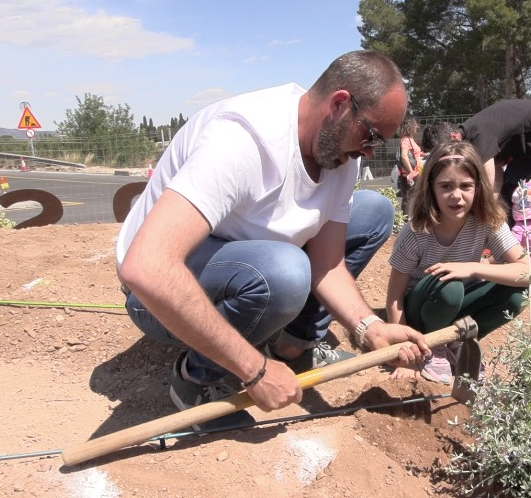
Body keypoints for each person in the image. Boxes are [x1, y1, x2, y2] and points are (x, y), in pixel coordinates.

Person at [116, 50, 430, 429]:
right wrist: (255, 369)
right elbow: (147, 267)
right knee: (285, 272)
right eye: (372, 136)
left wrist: (369, 328)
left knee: (373, 211)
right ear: (339, 105)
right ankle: (195, 377)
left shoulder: (340, 154)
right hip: (153, 294)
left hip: (244, 258)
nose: (368, 150)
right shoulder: (242, 139)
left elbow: (328, 262)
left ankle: (294, 345)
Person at [386, 140, 531, 384]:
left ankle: (459, 342)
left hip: (455, 306)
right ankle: (431, 346)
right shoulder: (416, 232)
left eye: (466, 186)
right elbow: (394, 298)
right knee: (451, 288)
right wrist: (406, 354)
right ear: (431, 188)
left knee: (515, 296)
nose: (456, 195)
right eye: (446, 186)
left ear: (478, 187)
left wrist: (473, 268)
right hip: (421, 312)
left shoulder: (487, 222)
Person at [433, 100, 531, 228]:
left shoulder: (479, 136)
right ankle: (512, 236)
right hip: (527, 147)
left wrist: (480, 215)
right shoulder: (471, 141)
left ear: (454, 137)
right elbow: (497, 173)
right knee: (508, 193)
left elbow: (489, 181)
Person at [395, 117, 423, 214]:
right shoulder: (406, 140)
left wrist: (421, 154)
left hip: (415, 172)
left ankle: (411, 216)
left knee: (413, 196)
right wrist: (411, 172)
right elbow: (404, 155)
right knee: (408, 197)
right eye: (415, 126)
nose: (416, 127)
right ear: (410, 127)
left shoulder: (410, 139)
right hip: (410, 174)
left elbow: (413, 153)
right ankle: (407, 218)